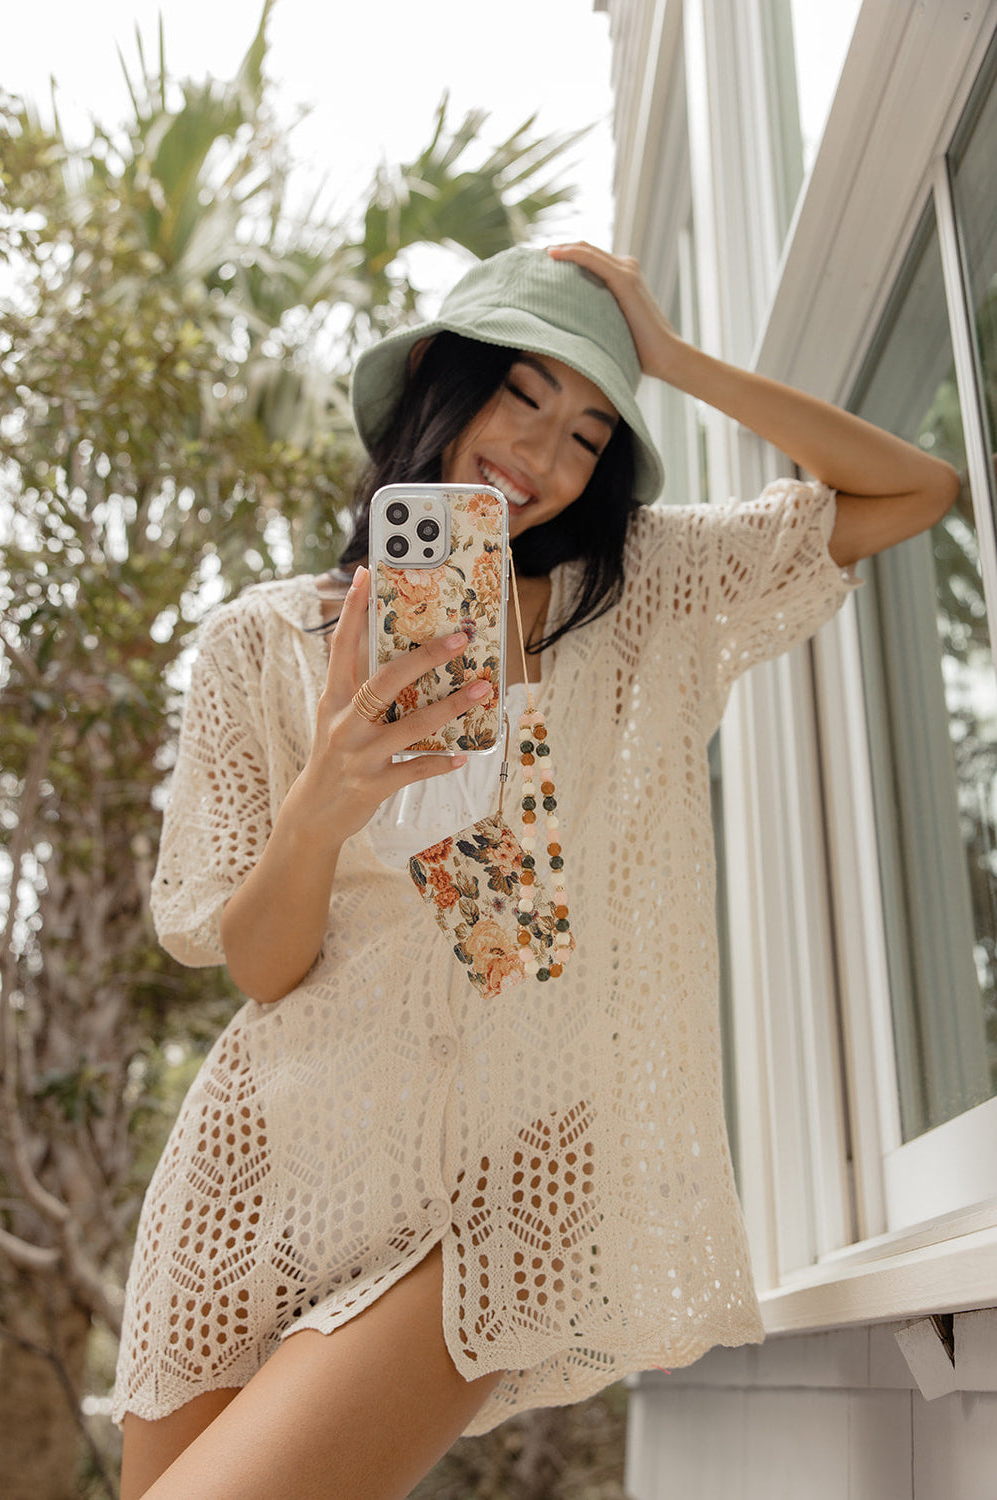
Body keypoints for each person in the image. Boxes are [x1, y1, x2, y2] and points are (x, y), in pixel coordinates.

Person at [115, 243, 957, 1500]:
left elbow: (915, 490)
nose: (542, 454)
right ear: (440, 383)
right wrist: (321, 807)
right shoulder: (262, 642)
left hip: (508, 1172)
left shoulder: (638, 602)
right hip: (263, 1168)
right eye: (523, 393)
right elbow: (259, 966)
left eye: (588, 433)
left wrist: (666, 359)